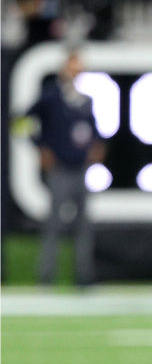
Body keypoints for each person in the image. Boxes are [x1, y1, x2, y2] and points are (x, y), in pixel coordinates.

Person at [26, 51, 105, 286]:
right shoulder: (50, 97)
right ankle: (47, 276)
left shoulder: (85, 100)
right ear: (63, 70)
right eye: (71, 67)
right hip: (60, 169)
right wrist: (40, 148)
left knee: (83, 224)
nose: (74, 72)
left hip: (80, 168)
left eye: (78, 68)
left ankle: (83, 277)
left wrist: (97, 147)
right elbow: (23, 121)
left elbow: (92, 130)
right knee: (54, 224)